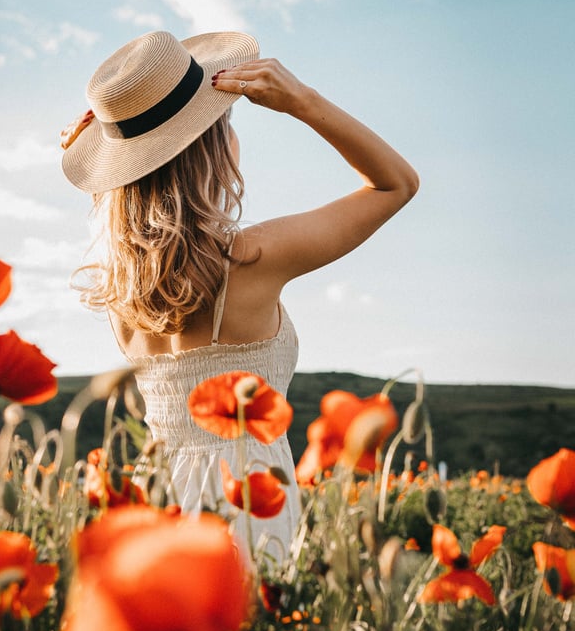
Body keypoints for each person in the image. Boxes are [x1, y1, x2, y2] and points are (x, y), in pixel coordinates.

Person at [61, 30, 419, 553]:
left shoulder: (121, 288)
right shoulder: (251, 260)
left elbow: (130, 203)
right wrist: (302, 101)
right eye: (222, 122)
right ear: (211, 149)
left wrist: (113, 153)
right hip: (247, 499)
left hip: (154, 499)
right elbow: (396, 184)